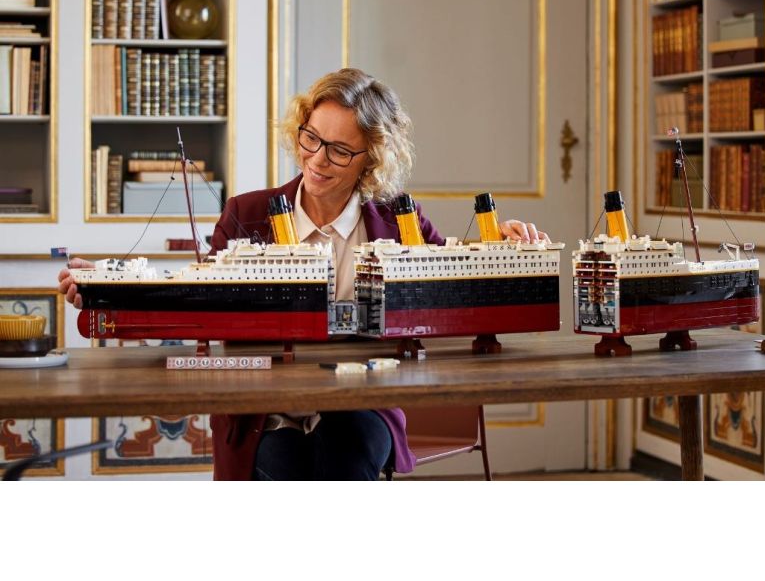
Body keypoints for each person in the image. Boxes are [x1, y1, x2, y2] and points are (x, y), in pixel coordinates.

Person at [59, 68, 547, 481]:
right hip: (263, 407)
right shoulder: (246, 214)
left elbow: (454, 287)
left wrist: (501, 246)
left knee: (348, 450)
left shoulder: (399, 219)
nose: (316, 159)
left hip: (362, 402)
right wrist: (104, 291)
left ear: (372, 159)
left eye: (339, 150)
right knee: (284, 462)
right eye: (310, 138)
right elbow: (199, 303)